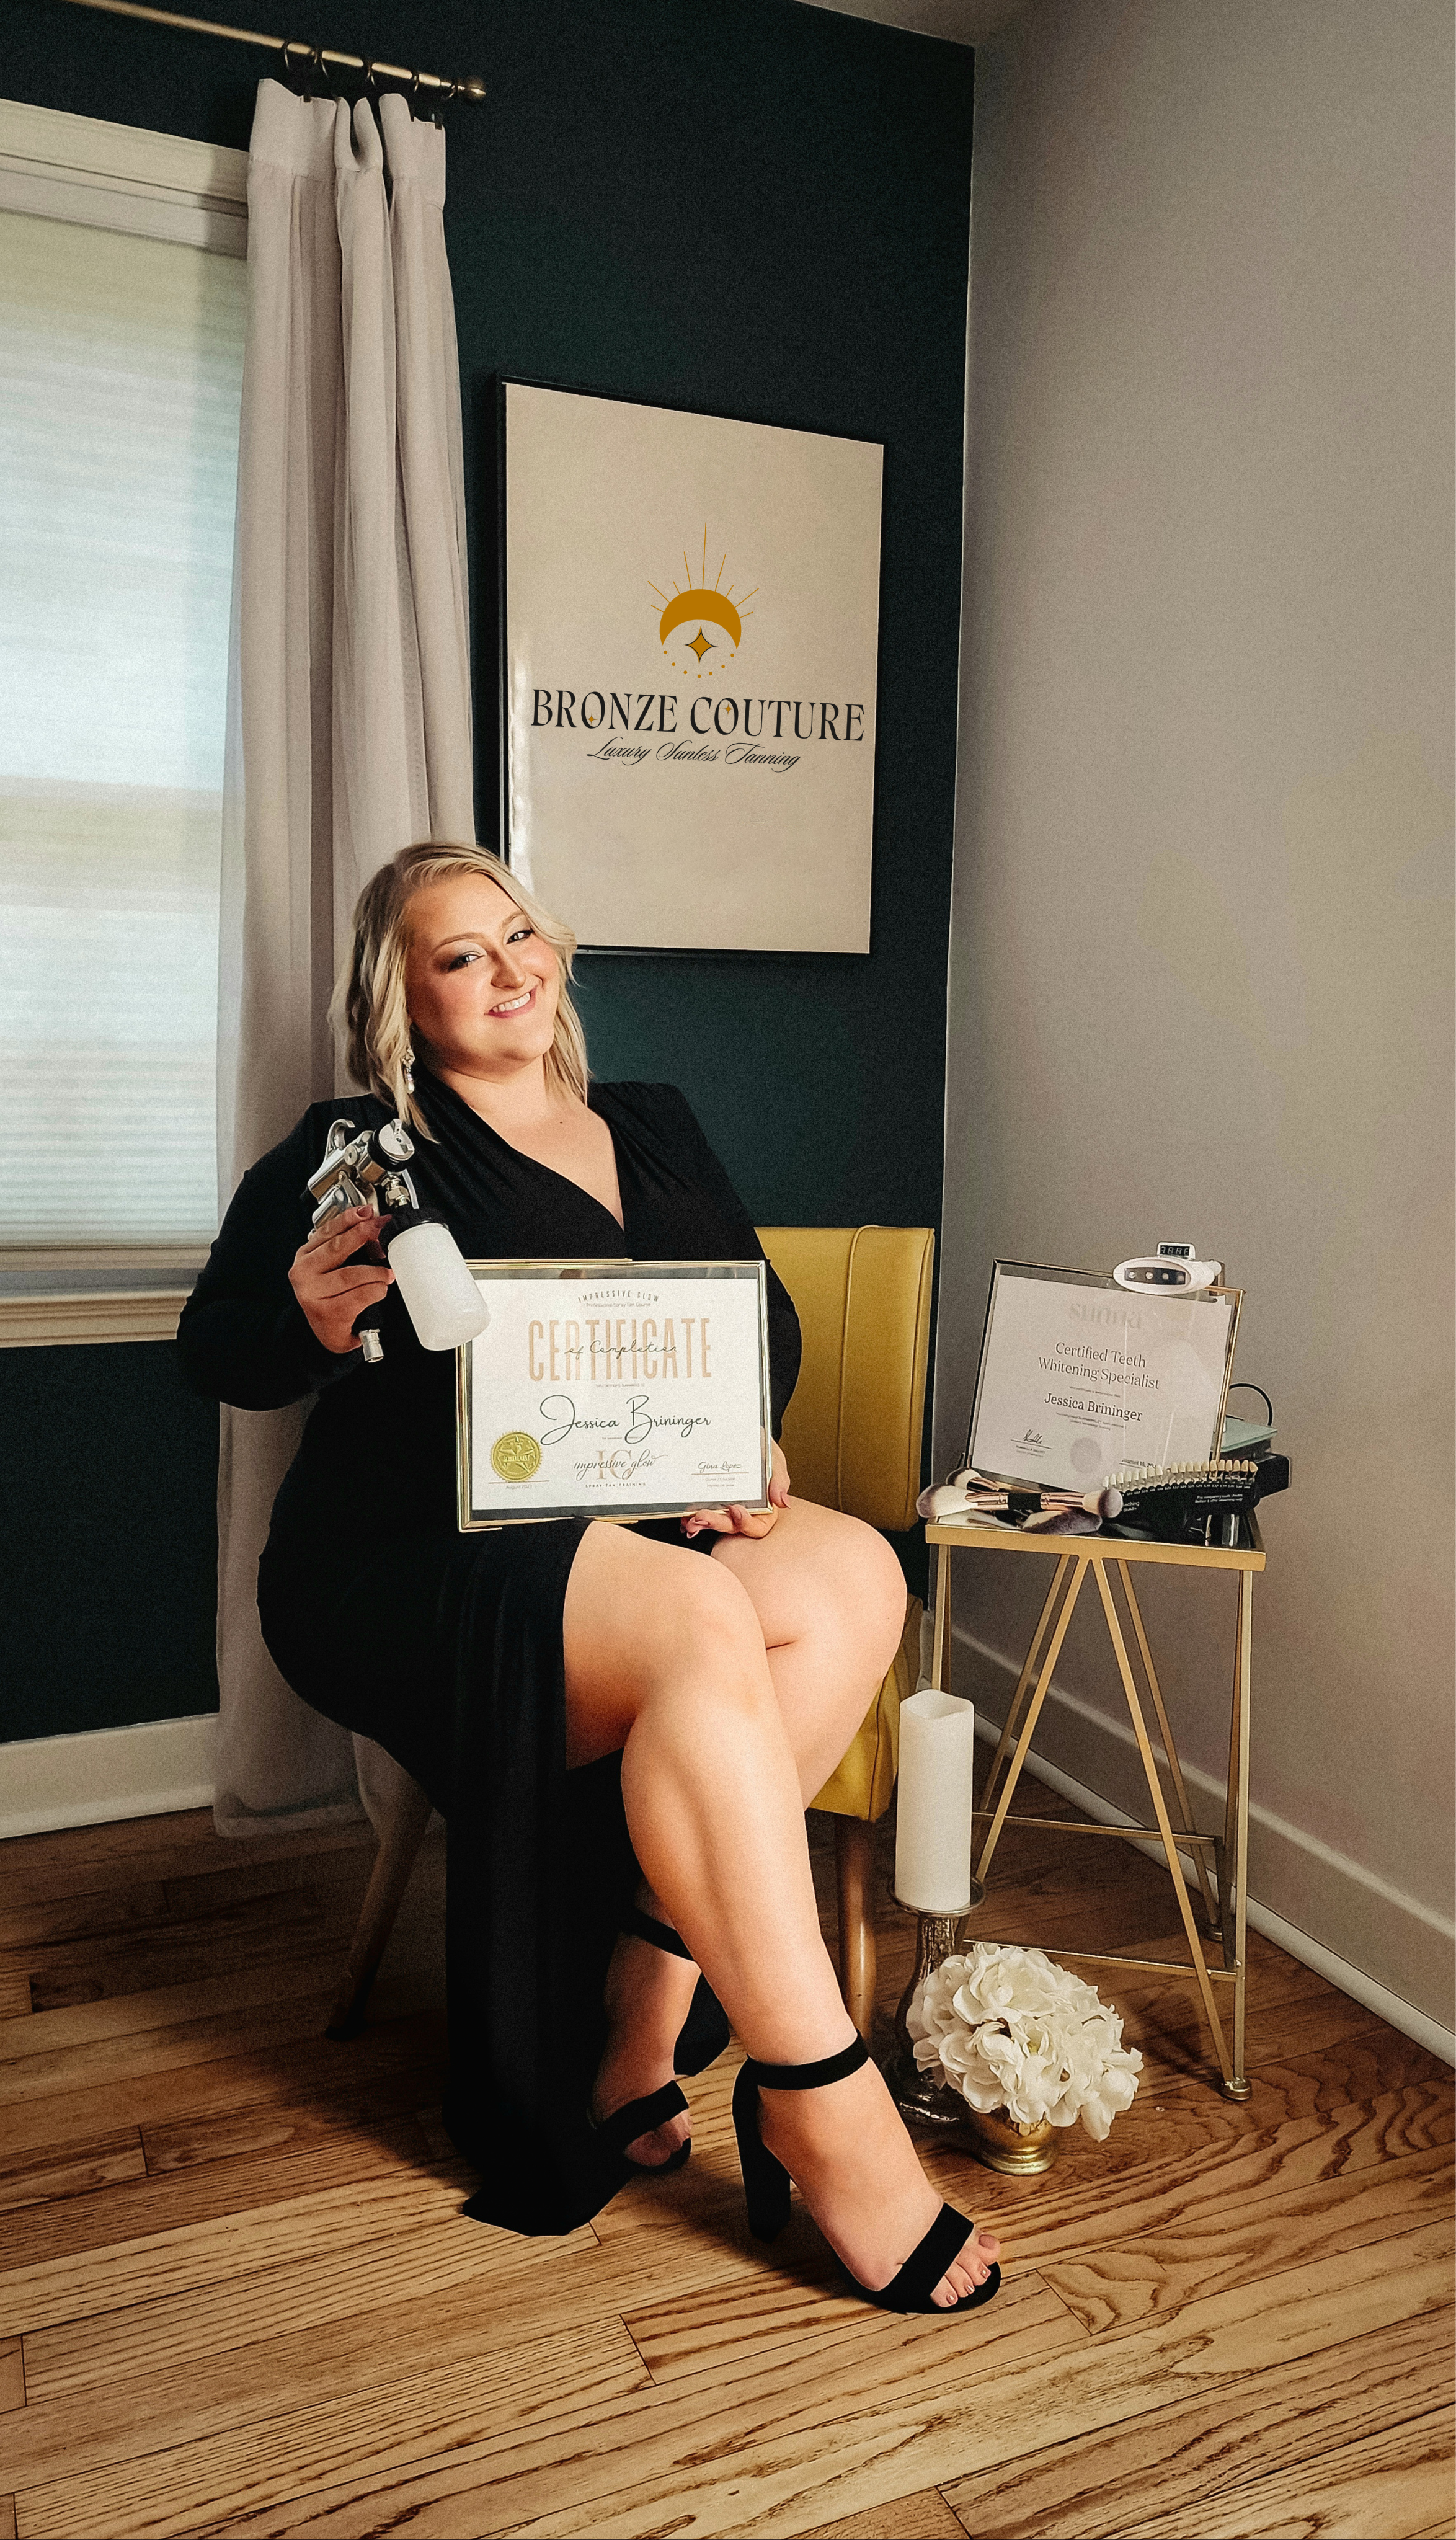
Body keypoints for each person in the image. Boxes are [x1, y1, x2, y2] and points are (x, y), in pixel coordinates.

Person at [177, 841, 1000, 2314]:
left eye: (521, 936)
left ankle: (641, 2017)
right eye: (461, 956)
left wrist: (742, 1432)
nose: (511, 970)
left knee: (856, 1577)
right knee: (697, 1622)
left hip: (638, 1538)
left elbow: (763, 1317)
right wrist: (304, 1318)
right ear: (402, 999)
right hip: (402, 1562)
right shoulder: (358, 1143)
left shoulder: (656, 1122)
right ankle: (822, 2095)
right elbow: (212, 1349)